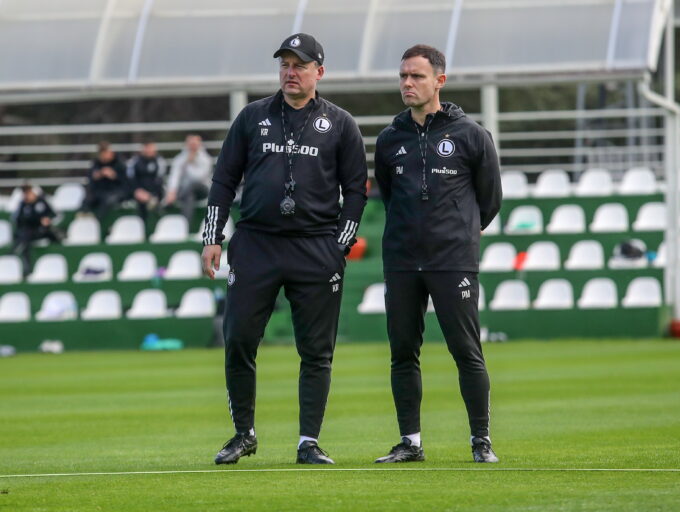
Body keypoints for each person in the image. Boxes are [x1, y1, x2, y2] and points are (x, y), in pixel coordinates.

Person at [201, 33, 368, 465]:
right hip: (256, 244)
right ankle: (244, 433)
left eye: (300, 65)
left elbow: (355, 189)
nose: (290, 73)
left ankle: (308, 442)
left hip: (315, 246)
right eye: (284, 65)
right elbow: (223, 180)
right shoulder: (252, 116)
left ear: (320, 72)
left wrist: (341, 244)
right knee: (238, 338)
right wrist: (212, 237)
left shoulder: (341, 123)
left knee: (316, 350)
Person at [373, 44, 502, 463]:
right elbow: (388, 196)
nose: (407, 83)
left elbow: (490, 199)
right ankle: (410, 442)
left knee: (466, 351)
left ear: (439, 81)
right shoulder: (389, 139)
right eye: (403, 76)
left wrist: (457, 233)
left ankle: (480, 440)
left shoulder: (472, 136)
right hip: (402, 261)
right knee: (402, 352)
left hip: (453, 261)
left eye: (417, 76)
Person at [11, 185, 63, 275]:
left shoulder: (42, 202)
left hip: (43, 230)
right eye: (25, 193)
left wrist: (47, 220)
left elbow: (54, 214)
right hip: (29, 232)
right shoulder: (23, 204)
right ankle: (25, 265)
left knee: (27, 236)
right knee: (25, 236)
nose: (27, 195)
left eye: (29, 192)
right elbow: (18, 219)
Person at [165, 134, 212, 224]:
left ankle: (175, 201)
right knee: (189, 196)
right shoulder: (180, 159)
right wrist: (171, 192)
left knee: (191, 186)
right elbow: (174, 176)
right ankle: (185, 225)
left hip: (203, 190)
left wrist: (188, 163)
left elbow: (198, 177)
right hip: (187, 192)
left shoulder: (206, 159)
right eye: (191, 144)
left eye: (195, 144)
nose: (193, 146)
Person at [80, 141, 127, 218]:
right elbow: (90, 177)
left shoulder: (119, 162)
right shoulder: (96, 163)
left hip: (115, 191)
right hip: (100, 190)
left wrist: (114, 175)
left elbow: (126, 181)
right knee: (88, 199)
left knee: (107, 200)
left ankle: (98, 220)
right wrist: (97, 175)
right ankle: (82, 217)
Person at [126, 141, 167, 223]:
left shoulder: (160, 161)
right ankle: (141, 228)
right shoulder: (134, 161)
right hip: (138, 193)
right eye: (147, 148)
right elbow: (130, 179)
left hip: (154, 193)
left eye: (151, 148)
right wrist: (136, 191)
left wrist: (151, 195)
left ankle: (157, 225)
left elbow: (160, 180)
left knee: (157, 201)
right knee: (141, 203)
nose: (149, 150)